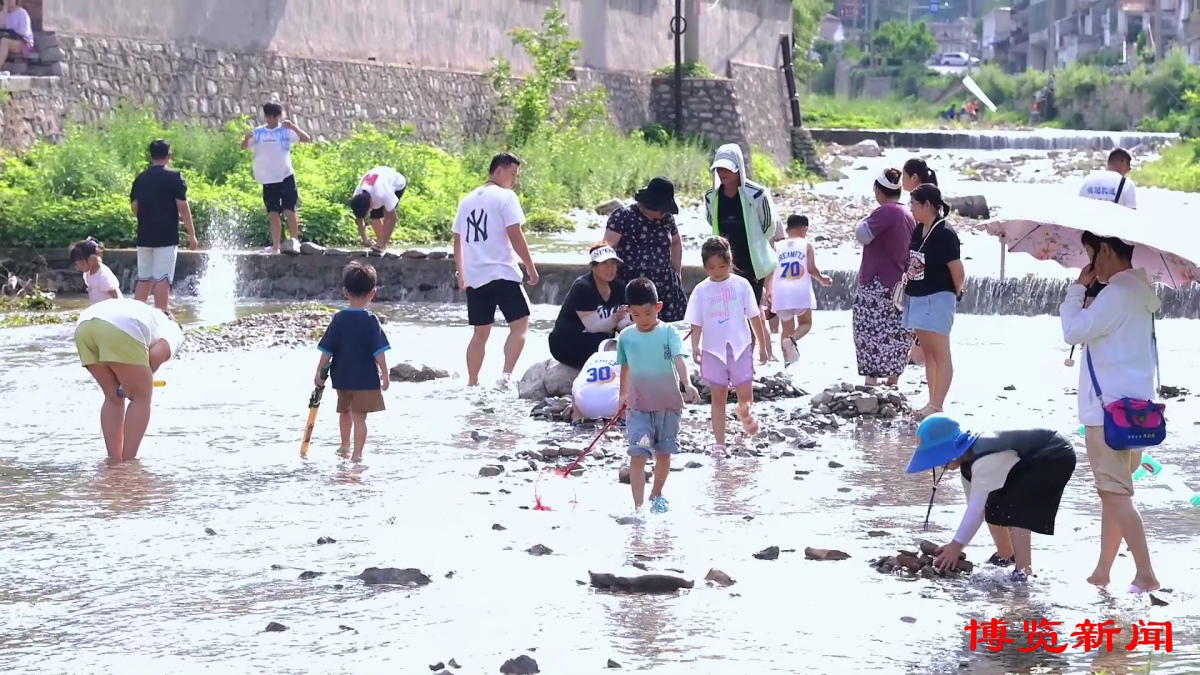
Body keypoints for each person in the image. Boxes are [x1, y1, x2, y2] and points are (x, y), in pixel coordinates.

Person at [1061, 232, 1162, 594]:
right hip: (1136, 413)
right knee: (1114, 495)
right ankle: (1103, 570)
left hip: (1107, 415)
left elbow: (1073, 331)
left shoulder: (1116, 294)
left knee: (1115, 495)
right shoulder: (1140, 292)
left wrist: (1077, 291)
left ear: (1105, 249)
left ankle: (1146, 573)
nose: (1090, 265)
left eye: (1091, 255)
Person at [906, 415, 1076, 583]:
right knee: (992, 505)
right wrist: (955, 546)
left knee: (1019, 508)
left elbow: (976, 511)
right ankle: (1006, 555)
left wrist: (956, 546)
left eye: (937, 457)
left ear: (952, 448)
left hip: (1053, 453)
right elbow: (979, 508)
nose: (937, 464)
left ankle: (1023, 571)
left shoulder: (984, 459)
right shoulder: (968, 466)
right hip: (1029, 459)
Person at [452, 152, 539, 389]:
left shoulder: (466, 200)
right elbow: (515, 234)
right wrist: (530, 266)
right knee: (520, 325)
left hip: (475, 276)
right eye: (513, 174)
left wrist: (461, 272)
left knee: (480, 333)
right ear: (499, 170)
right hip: (502, 272)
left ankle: (472, 383)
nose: (515, 180)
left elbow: (458, 241)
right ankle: (505, 376)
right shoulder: (506, 197)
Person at [617, 277, 700, 515]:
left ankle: (657, 493)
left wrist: (687, 383)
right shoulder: (626, 337)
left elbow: (679, 359)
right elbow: (625, 366)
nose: (642, 320)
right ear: (628, 312)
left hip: (668, 406)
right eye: (636, 314)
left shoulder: (668, 332)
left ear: (658, 307)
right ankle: (638, 507)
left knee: (664, 453)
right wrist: (622, 394)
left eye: (647, 313)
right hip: (639, 407)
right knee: (638, 453)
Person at [686, 237, 769, 458]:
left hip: (741, 347)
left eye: (722, 266)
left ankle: (746, 418)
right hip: (713, 350)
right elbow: (696, 322)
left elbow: (754, 316)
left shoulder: (741, 285)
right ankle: (719, 443)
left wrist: (762, 345)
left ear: (730, 263)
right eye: (711, 267)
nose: (717, 272)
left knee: (745, 394)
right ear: (705, 267)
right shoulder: (701, 290)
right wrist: (695, 346)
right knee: (718, 398)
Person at [74, 298, 184, 461]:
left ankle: (113, 460)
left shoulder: (148, 314)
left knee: (112, 397)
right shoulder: (174, 330)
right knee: (141, 397)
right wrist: (141, 381)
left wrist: (127, 381)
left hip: (84, 326)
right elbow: (155, 356)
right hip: (120, 327)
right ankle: (128, 462)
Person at [704, 144, 780, 357]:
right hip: (724, 262)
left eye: (727, 168)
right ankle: (731, 355)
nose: (723, 173)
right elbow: (710, 219)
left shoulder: (756, 194)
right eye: (719, 169)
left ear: (738, 168)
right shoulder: (711, 196)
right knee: (728, 311)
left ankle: (748, 357)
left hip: (751, 262)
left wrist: (755, 243)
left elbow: (768, 225)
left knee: (750, 310)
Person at [315, 261, 391, 462]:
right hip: (365, 379)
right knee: (360, 418)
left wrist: (319, 373)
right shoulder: (371, 320)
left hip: (342, 377)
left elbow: (327, 350)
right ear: (372, 293)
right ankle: (357, 455)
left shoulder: (339, 319)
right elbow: (379, 351)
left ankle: (344, 446)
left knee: (344, 412)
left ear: (345, 292)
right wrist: (385, 374)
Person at [904, 183, 964, 420]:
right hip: (917, 295)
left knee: (941, 353)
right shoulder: (919, 229)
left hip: (938, 297)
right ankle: (932, 402)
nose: (911, 208)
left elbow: (958, 271)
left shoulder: (944, 232)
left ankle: (938, 405)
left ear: (928, 204)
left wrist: (955, 292)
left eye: (914, 204)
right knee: (928, 354)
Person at [853, 169, 916, 387]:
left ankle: (871, 380)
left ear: (878, 190)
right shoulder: (907, 213)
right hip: (900, 282)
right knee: (896, 331)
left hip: (877, 282)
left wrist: (864, 219)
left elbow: (862, 235)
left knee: (868, 329)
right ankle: (893, 381)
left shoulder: (886, 212)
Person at [129, 139, 199, 311]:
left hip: (144, 235)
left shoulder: (141, 178)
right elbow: (182, 206)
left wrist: (147, 218)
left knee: (144, 278)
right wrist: (191, 234)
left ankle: (135, 314)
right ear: (169, 155)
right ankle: (162, 314)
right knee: (163, 277)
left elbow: (134, 206)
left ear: (151, 156)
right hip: (166, 236)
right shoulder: (174, 177)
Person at [604, 177, 687, 323]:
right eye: (661, 209)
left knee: (672, 328)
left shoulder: (667, 219)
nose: (664, 213)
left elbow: (675, 243)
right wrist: (608, 279)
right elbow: (607, 248)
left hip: (666, 285)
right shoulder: (624, 216)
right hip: (633, 285)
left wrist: (677, 272)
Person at [243, 102, 312, 254]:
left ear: (279, 116)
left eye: (274, 116)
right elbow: (244, 147)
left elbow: (307, 139)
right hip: (268, 178)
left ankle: (294, 243)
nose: (271, 119)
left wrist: (294, 127)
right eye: (268, 116)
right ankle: (276, 246)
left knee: (289, 210)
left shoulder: (286, 130)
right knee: (273, 212)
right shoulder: (259, 132)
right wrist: (246, 138)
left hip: (286, 175)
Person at [549, 242, 630, 370]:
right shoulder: (583, 287)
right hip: (568, 343)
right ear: (593, 266)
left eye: (613, 263)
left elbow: (622, 322)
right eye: (604, 263)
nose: (610, 268)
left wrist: (633, 327)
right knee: (613, 348)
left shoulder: (619, 287)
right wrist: (615, 318)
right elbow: (593, 326)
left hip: (599, 339)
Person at [772, 215, 831, 366]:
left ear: (787, 230)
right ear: (805, 229)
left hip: (781, 293)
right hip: (799, 293)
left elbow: (770, 269)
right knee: (805, 323)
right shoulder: (806, 245)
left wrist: (768, 290)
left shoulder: (776, 246)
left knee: (786, 328)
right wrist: (822, 279)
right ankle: (792, 340)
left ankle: (787, 363)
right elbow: (811, 269)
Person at [901, 158, 939, 367]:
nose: (902, 181)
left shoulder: (921, 201)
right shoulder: (929, 197)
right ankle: (919, 354)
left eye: (904, 176)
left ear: (914, 177)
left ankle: (919, 354)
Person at [349, 166, 408, 253]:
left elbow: (393, 219)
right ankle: (379, 244)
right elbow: (359, 218)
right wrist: (365, 239)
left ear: (370, 204)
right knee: (375, 216)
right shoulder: (357, 195)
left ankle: (382, 245)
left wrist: (383, 243)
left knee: (387, 211)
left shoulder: (382, 194)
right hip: (377, 181)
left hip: (397, 184)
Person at [570, 338, 621, 424]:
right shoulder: (623, 357)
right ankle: (623, 420)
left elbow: (577, 383)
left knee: (577, 385)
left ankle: (577, 419)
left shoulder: (593, 357)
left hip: (586, 408)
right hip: (614, 406)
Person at [70, 237, 122, 305]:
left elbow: (116, 296)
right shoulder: (87, 274)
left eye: (82, 263)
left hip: (110, 308)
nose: (79, 266)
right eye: (77, 263)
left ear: (92, 259)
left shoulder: (103, 276)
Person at [0, 0, 32, 70]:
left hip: (24, 43)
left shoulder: (22, 13)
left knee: (4, 42)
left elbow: (24, 33)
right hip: (9, 39)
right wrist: (5, 8)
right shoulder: (5, 14)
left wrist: (12, 34)